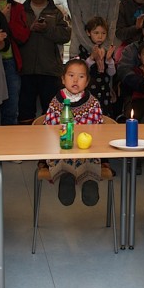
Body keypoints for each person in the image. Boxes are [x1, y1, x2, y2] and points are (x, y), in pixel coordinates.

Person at [44, 59, 103, 207]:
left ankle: (89, 182)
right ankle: (65, 179)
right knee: (61, 162)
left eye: (81, 76)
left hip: (86, 152)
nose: (75, 80)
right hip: (61, 150)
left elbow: (99, 131)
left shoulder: (93, 103)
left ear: (87, 81)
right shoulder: (55, 102)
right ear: (63, 79)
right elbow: (47, 131)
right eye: (71, 75)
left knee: (91, 161)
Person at [18, 0, 71, 125]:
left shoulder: (57, 12)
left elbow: (66, 35)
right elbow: (14, 34)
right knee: (25, 111)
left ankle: (49, 145)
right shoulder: (21, 10)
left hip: (50, 70)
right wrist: (30, 29)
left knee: (51, 111)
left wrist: (47, 28)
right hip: (25, 70)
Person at [77, 16, 115, 117]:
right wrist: (92, 57)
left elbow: (112, 73)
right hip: (89, 90)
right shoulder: (84, 49)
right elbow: (82, 71)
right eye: (96, 33)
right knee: (89, 115)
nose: (100, 37)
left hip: (104, 91)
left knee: (104, 115)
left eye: (103, 33)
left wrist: (109, 60)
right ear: (88, 33)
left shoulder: (107, 49)